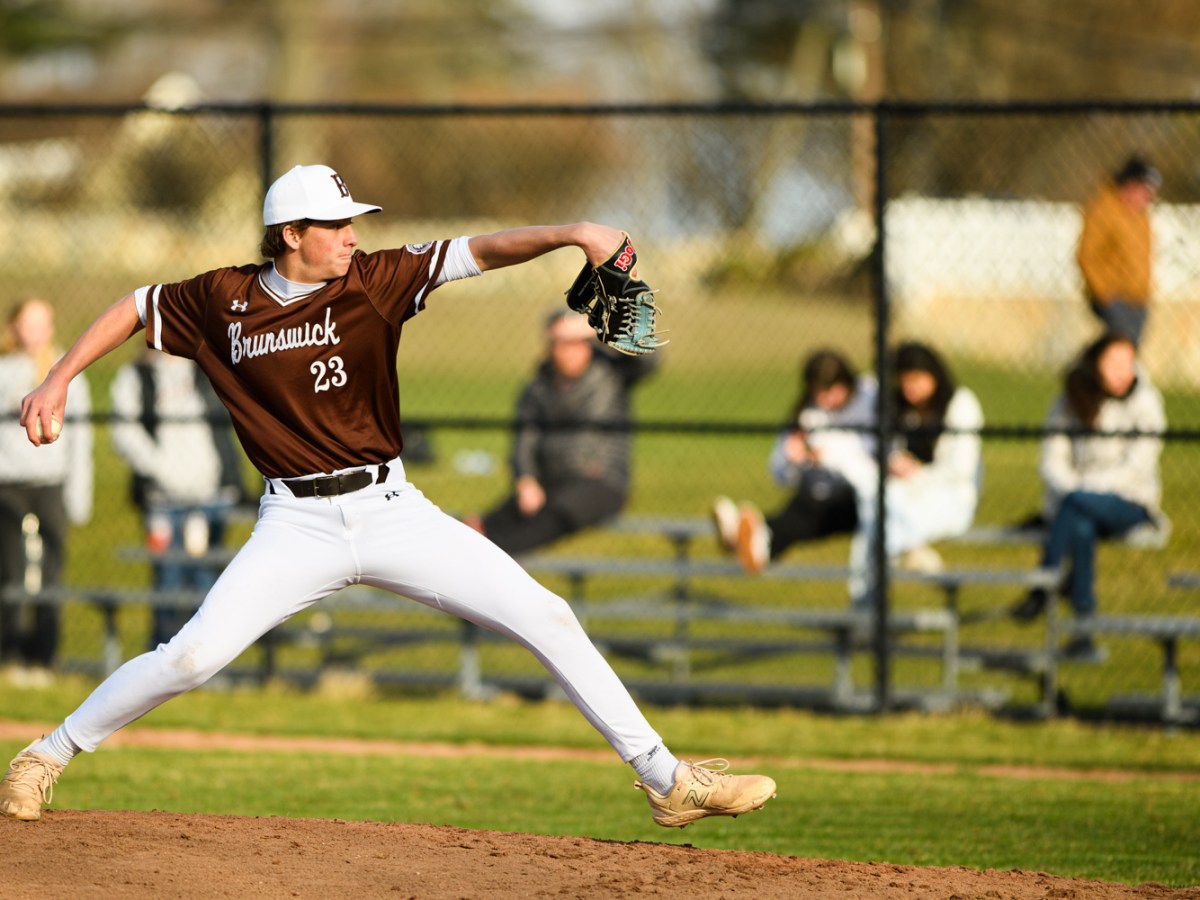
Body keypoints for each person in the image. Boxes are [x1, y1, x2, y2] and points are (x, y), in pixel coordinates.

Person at [0, 163, 774, 826]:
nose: (352, 234)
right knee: (193, 657)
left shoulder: (375, 281)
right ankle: (45, 755)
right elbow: (136, 307)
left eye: (352, 221)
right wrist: (58, 379)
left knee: (546, 612)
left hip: (392, 510)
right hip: (294, 523)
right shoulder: (222, 298)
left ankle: (669, 781)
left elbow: (481, 251)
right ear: (290, 233)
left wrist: (575, 230)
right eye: (335, 224)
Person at [1010, 332, 1168, 661]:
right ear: (1094, 365)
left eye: (1129, 363)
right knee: (1079, 526)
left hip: (1129, 501)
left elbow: (1137, 467)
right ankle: (1084, 631)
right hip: (1076, 501)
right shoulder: (1072, 399)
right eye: (1114, 364)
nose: (1124, 371)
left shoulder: (1146, 403)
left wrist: (1083, 488)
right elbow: (1052, 460)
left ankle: (1043, 586)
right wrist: (1075, 489)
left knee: (1076, 505)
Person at [464, 310, 657, 556]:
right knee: (481, 526)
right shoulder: (538, 388)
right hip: (549, 483)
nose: (565, 350)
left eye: (573, 342)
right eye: (558, 342)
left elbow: (648, 359)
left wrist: (602, 331)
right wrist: (525, 478)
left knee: (558, 511)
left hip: (599, 482)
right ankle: (478, 553)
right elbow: (524, 442)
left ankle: (497, 555)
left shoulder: (611, 374)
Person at [110, 350, 251, 649]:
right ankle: (163, 659)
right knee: (167, 581)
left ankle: (208, 660)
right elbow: (124, 431)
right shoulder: (138, 376)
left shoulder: (209, 365)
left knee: (208, 581)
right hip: (162, 499)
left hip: (211, 495)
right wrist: (160, 467)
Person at [847, 341, 983, 609]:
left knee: (876, 527)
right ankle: (913, 555)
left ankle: (866, 609)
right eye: (905, 380)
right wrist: (894, 462)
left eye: (917, 379)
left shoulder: (960, 404)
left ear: (934, 374)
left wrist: (918, 473)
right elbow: (888, 451)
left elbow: (960, 470)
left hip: (949, 498)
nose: (911, 388)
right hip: (905, 498)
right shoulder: (900, 408)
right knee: (874, 515)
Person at [715, 348, 877, 574]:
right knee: (805, 506)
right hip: (815, 495)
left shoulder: (871, 397)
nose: (824, 400)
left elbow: (871, 462)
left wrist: (827, 456)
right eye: (817, 393)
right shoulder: (806, 414)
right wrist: (794, 460)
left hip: (859, 498)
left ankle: (742, 538)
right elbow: (779, 475)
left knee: (811, 511)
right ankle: (753, 541)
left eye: (830, 391)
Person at [0, 298, 93, 683]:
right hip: (9, 485)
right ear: (14, 327)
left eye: (43, 323)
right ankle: (9, 656)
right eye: (28, 323)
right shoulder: (4, 370)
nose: (36, 332)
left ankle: (44, 658)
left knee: (51, 572)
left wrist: (78, 494)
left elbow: (82, 440)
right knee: (11, 572)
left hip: (51, 485)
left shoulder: (68, 370)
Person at [1076, 156, 1161, 347]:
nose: (1148, 198)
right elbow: (1086, 256)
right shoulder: (1104, 210)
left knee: (1128, 352)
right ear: (1131, 185)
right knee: (1120, 350)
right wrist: (1103, 293)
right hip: (1114, 298)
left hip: (1138, 299)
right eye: (1145, 191)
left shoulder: (1140, 216)